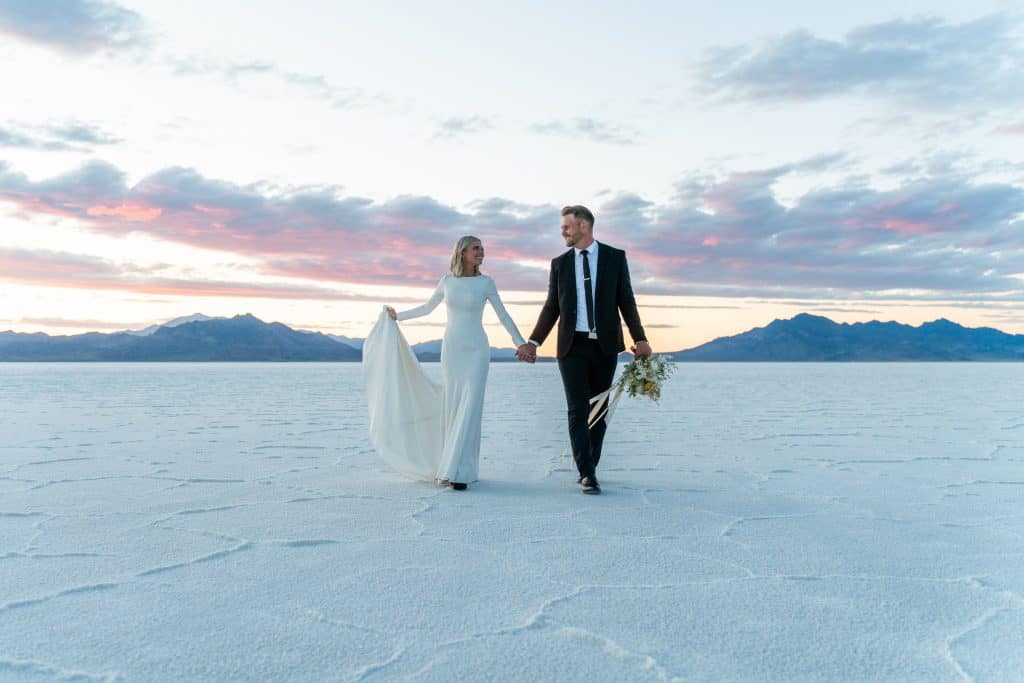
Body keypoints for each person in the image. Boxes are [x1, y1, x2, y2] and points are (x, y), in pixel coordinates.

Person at [364, 235, 527, 490]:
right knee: (454, 405)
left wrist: (520, 342)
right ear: (462, 252)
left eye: (482, 249)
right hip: (453, 350)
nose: (481, 252)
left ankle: (461, 471)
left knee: (470, 407)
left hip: (477, 352)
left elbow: (503, 316)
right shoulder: (447, 281)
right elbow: (427, 308)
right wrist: (399, 317)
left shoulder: (486, 283)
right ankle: (451, 467)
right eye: (476, 249)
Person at [518, 205, 651, 494]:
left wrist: (640, 338)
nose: (563, 231)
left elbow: (626, 300)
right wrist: (534, 341)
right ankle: (587, 473)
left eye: (567, 226)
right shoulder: (560, 263)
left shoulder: (615, 258)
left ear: (584, 227)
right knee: (577, 411)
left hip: (604, 346)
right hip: (571, 346)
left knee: (599, 410)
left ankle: (590, 463)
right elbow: (552, 305)